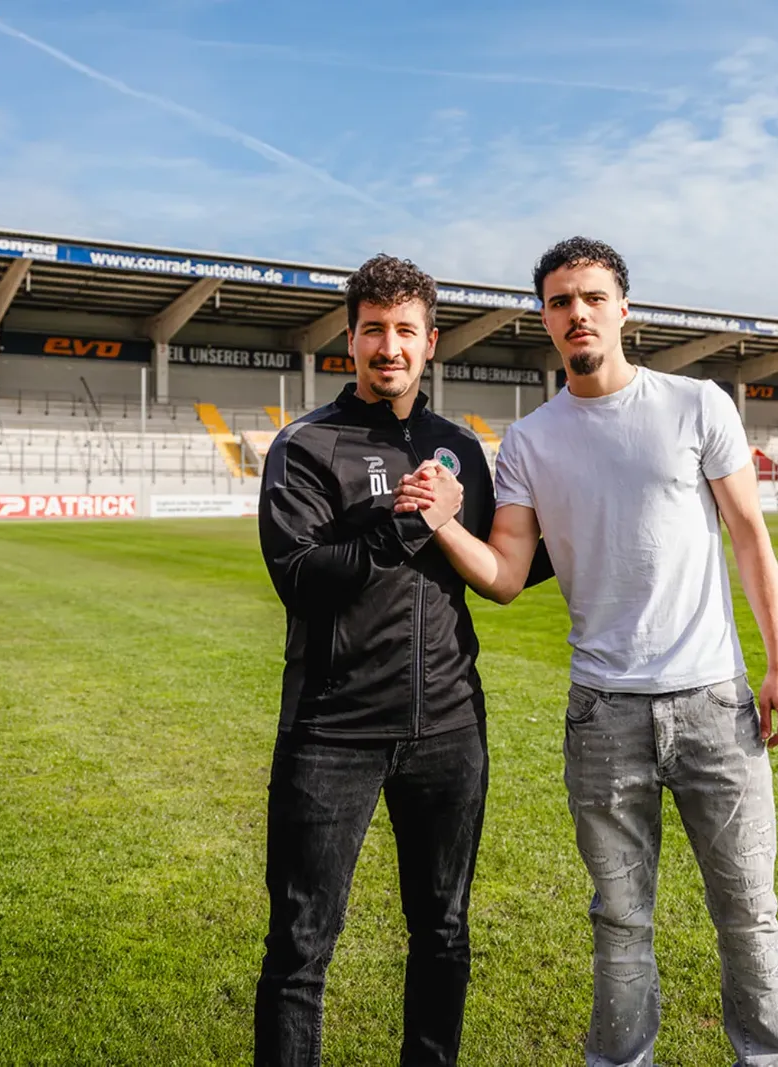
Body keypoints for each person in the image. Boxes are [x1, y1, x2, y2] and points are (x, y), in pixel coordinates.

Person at [396, 237, 778, 1066]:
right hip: (603, 716)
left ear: (624, 309)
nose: (576, 313)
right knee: (619, 920)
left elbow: (750, 537)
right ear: (546, 320)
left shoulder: (696, 404)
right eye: (559, 301)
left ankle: (771, 1058)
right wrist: (441, 522)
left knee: (749, 911)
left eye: (591, 297)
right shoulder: (530, 442)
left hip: (714, 702)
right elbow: (506, 575)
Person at [255, 252, 549, 1066]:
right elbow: (301, 579)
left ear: (431, 341)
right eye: (374, 329)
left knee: (443, 929)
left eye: (406, 330)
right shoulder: (305, 446)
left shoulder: (460, 447)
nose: (390, 346)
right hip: (333, 732)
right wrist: (409, 522)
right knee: (300, 947)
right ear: (350, 339)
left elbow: (502, 560)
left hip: (449, 730)